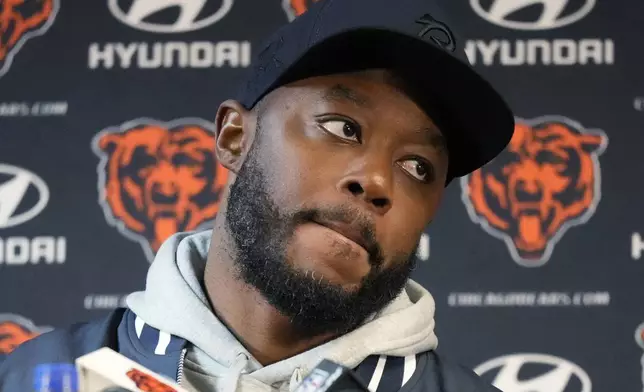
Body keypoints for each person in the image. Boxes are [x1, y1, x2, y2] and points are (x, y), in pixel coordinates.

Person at [0, 0, 515, 391]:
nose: (378, 182)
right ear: (233, 138)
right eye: (341, 126)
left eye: (417, 166)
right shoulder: (35, 378)